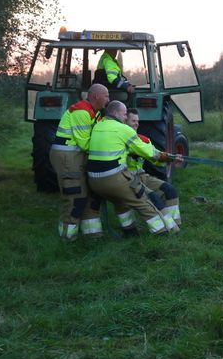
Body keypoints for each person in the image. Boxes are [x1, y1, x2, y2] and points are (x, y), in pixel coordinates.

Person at [86, 100, 179, 236]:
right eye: (124, 115)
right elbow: (148, 152)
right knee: (145, 200)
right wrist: (166, 156)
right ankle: (163, 233)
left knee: (120, 201)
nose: (125, 118)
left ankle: (130, 233)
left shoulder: (97, 126)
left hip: (94, 181)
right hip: (115, 179)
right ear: (116, 113)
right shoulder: (124, 129)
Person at [50, 83, 110, 241]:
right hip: (68, 157)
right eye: (106, 96)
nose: (108, 99)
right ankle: (67, 237)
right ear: (96, 96)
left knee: (90, 194)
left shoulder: (95, 113)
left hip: (77, 155)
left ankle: (93, 234)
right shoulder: (81, 112)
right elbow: (85, 144)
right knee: (75, 196)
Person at [123, 108, 182, 226]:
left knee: (169, 190)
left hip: (142, 177)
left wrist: (171, 158)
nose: (137, 124)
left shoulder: (143, 140)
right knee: (154, 198)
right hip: (127, 179)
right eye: (133, 121)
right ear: (124, 122)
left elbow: (156, 159)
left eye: (138, 121)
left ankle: (176, 224)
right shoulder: (119, 140)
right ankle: (168, 227)